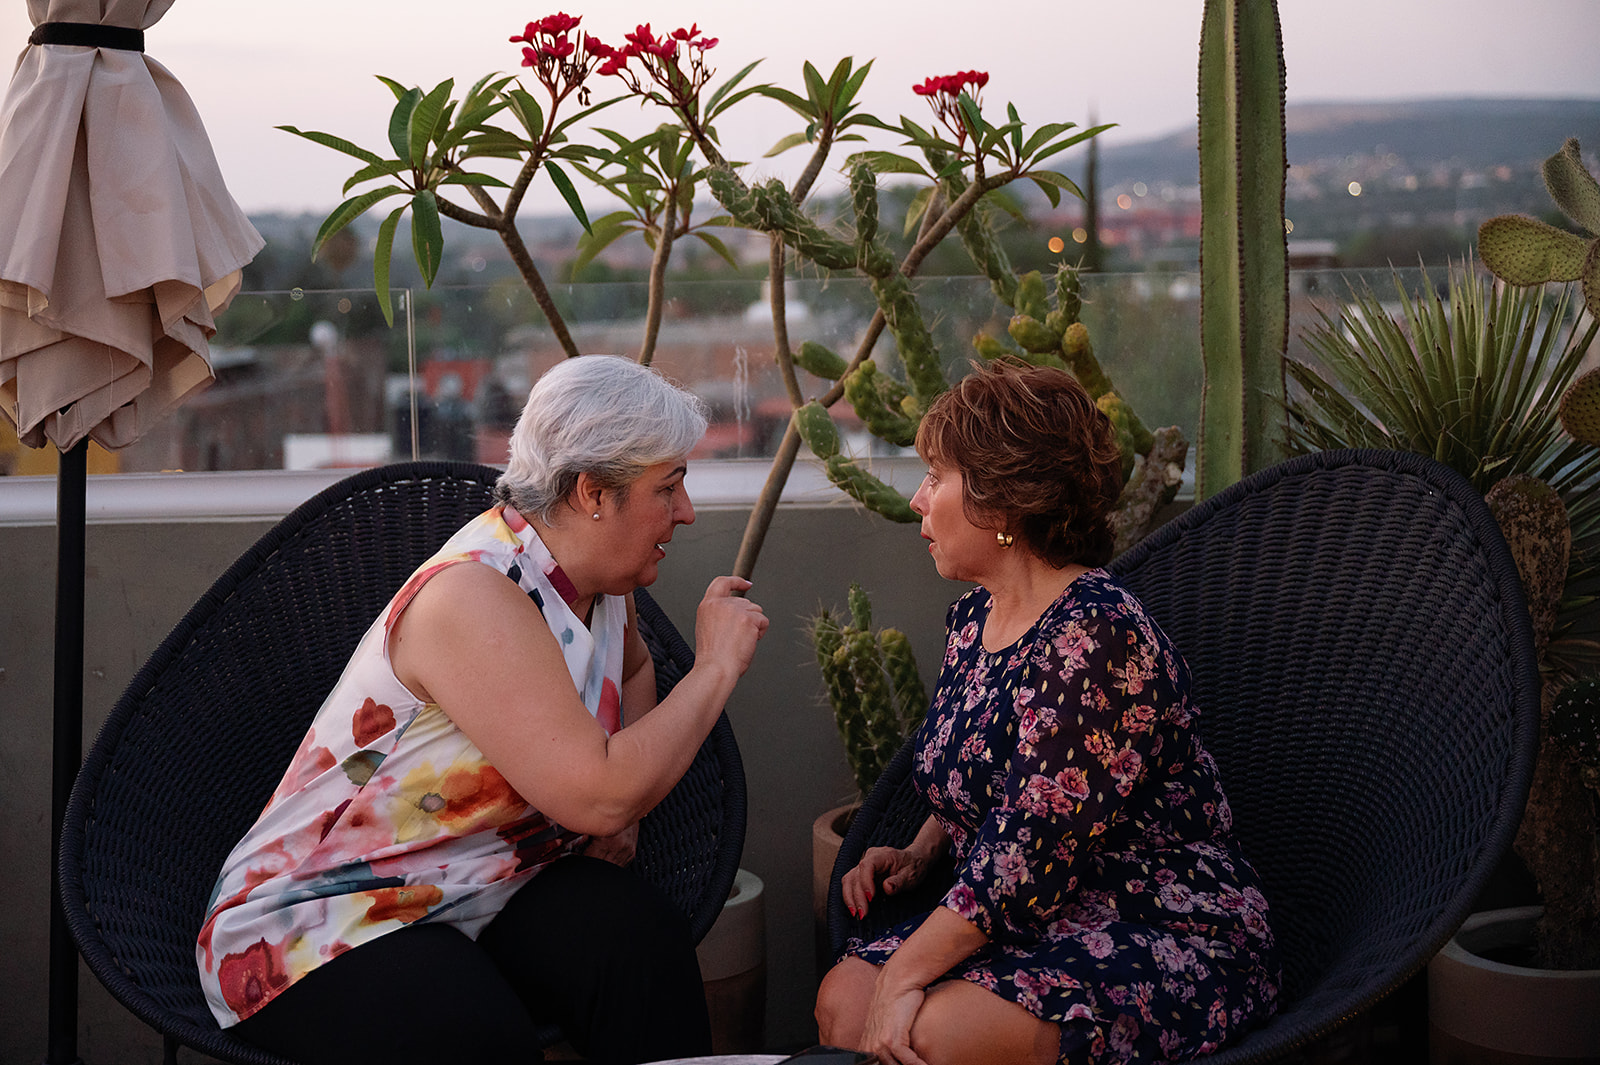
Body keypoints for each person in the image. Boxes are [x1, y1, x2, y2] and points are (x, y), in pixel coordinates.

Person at [197, 355, 770, 1065]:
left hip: (486, 882)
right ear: (593, 491)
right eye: (669, 487)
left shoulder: (597, 579)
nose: (685, 510)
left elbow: (637, 667)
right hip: (323, 919)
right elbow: (599, 792)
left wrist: (630, 820)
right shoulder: (474, 595)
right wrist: (715, 668)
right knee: (475, 1034)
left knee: (638, 942)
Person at [815, 360, 1280, 1065]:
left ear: (1001, 504)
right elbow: (992, 762)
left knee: (929, 1031)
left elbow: (1033, 846)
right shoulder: (976, 618)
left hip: (1153, 922)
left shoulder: (1099, 636)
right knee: (843, 998)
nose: (917, 499)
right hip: (1030, 916)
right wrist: (920, 849)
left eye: (936, 477)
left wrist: (906, 973)